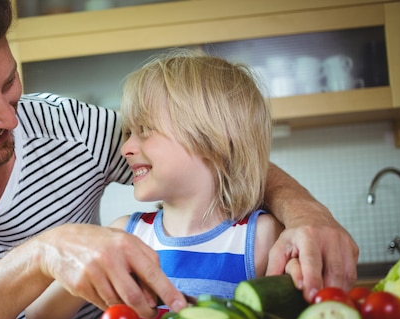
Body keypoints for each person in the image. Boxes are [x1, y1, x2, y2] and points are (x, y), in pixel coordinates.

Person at [0, 0, 358, 319]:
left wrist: (309, 215)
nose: (7, 118)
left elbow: (219, 159)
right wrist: (43, 252)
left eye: (9, 83)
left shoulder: (72, 126)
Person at [109, 51, 283, 302]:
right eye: (128, 132)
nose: (126, 148)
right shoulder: (123, 235)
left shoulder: (262, 238)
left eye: (145, 129)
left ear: (214, 137)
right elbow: (40, 315)